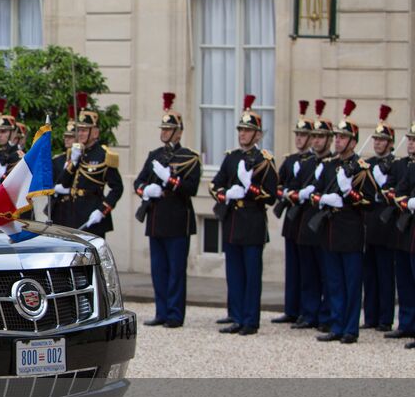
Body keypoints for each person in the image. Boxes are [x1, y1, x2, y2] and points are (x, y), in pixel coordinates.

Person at [312, 101, 380, 344]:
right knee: (334, 282)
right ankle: (337, 324)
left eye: (343, 137)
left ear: (353, 142)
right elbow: (313, 193)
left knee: (351, 283)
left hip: (351, 233)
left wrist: (348, 194)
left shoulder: (361, 169)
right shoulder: (329, 166)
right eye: (337, 137)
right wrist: (323, 198)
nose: (338, 141)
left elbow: (371, 202)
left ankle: (350, 328)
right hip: (330, 232)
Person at [208, 95, 277, 335]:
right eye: (241, 130)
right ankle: (236, 315)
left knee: (251, 275)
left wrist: (250, 190)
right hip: (232, 223)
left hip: (252, 222)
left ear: (258, 134)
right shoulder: (232, 157)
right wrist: (225, 194)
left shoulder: (264, 161)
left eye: (248, 131)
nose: (243, 134)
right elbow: (214, 184)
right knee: (234, 274)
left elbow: (271, 195)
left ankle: (250, 320)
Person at [134, 93, 200, 328]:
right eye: (163, 128)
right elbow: (138, 183)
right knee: (158, 270)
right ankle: (161, 311)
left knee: (175, 272)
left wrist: (169, 180)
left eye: (169, 129)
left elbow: (191, 188)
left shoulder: (189, 158)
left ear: (179, 132)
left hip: (177, 221)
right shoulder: (155, 156)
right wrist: (146, 190)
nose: (164, 132)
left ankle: (174, 314)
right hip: (156, 220)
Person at [272, 100, 314, 325]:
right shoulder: (290, 160)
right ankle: (291, 308)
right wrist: (285, 194)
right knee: (292, 267)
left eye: (303, 135)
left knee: (307, 268)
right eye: (297, 134)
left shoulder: (316, 161)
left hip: (306, 218)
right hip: (292, 217)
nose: (299, 138)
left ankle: (307, 311)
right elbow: (278, 186)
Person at [293, 99, 333, 330]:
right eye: (314, 136)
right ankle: (309, 313)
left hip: (325, 225)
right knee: (308, 273)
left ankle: (326, 316)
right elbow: (296, 189)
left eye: (320, 137)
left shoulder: (332, 164)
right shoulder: (306, 163)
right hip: (307, 224)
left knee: (327, 274)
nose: (316, 140)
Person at [57, 98, 123, 237]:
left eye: (85, 130)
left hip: (92, 216)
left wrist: (102, 210)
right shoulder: (75, 153)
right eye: (79, 130)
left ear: (95, 133)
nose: (80, 133)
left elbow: (117, 188)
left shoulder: (103, 155)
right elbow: (63, 183)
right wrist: (73, 162)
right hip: (72, 215)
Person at [361, 105, 397, 332]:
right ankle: (371, 316)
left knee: (385, 274)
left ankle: (385, 318)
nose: (377, 143)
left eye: (382, 140)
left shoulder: (394, 164)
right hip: (368, 223)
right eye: (375, 139)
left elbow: (395, 193)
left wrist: (385, 182)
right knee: (370, 274)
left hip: (386, 226)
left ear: (390, 143)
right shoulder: (370, 164)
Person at [390, 120, 415, 348]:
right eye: (411, 139)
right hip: (408, 231)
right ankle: (407, 324)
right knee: (406, 281)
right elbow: (400, 191)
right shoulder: (411, 167)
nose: (412, 143)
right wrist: (408, 201)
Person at [50, 101, 79, 225]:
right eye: (65, 136)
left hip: (74, 208)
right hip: (58, 208)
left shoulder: (80, 159)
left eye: (70, 137)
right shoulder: (58, 160)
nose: (66, 139)